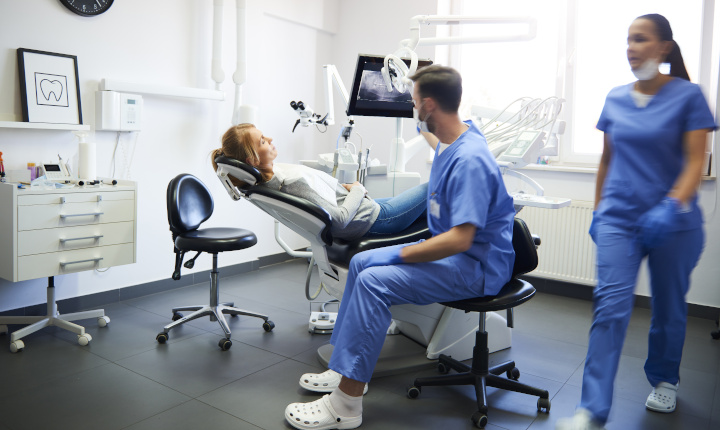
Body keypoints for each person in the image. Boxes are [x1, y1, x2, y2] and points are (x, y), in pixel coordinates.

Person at [284, 65, 516, 430]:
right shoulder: (453, 136)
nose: (411, 108)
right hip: (454, 254)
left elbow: (461, 239)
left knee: (377, 281)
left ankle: (346, 404)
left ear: (428, 104)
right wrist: (419, 105)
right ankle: (341, 368)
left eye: (413, 102)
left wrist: (405, 252)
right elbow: (433, 136)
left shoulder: (470, 160)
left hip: (476, 265)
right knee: (361, 262)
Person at [556, 14, 717, 430]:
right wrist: (597, 210)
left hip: (674, 223)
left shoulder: (689, 96)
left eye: (640, 39)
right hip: (618, 219)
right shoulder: (615, 97)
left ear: (664, 47)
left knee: (667, 307)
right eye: (628, 40)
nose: (631, 48)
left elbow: (695, 163)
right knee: (609, 309)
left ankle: (664, 379)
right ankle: (591, 409)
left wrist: (670, 205)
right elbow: (607, 160)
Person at [211, 124, 428, 241]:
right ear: (253, 161)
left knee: (433, 210)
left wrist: (347, 191)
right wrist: (357, 189)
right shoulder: (288, 184)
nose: (270, 140)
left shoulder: (270, 180)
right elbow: (341, 219)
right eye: (263, 141)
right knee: (434, 188)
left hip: (366, 211)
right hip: (373, 220)